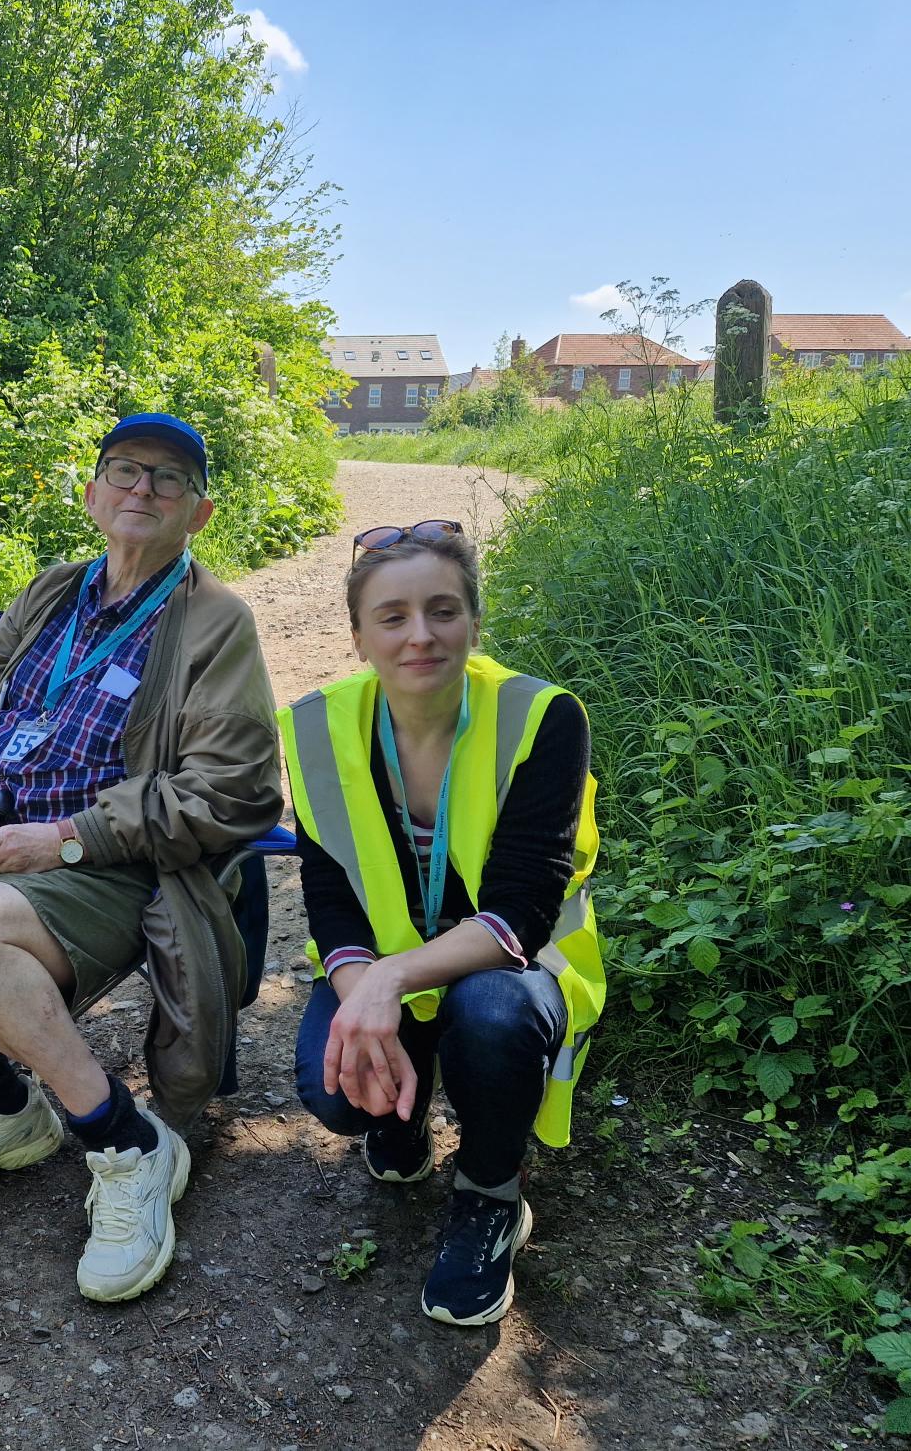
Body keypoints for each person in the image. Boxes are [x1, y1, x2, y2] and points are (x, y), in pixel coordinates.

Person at [0, 412, 281, 1304]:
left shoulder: (217, 621)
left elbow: (235, 793)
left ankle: (128, 1145)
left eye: (169, 479)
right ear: (91, 493)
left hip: (112, 868)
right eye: (124, 471)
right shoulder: (48, 593)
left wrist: (66, 837)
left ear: (202, 513)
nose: (143, 489)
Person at [279, 520, 603, 1327]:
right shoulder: (317, 728)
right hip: (389, 963)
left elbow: (524, 909)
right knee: (335, 1090)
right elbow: (331, 897)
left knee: (492, 1016)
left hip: (509, 964)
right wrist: (363, 999)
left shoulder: (542, 717)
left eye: (443, 610)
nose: (420, 635)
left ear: (473, 622)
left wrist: (389, 980)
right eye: (392, 617)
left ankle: (491, 1194)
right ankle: (404, 1113)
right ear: (358, 636)